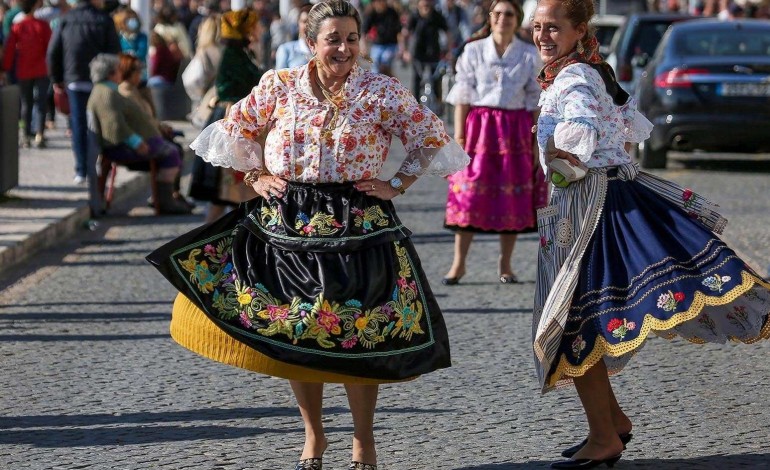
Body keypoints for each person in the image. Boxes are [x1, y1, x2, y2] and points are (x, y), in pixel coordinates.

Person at [146, 2, 469, 469]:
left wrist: (396, 184)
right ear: (311, 41)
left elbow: (433, 138)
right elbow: (233, 129)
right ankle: (314, 437)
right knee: (299, 330)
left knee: (360, 335)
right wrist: (255, 176)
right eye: (333, 38)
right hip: (288, 221)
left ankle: (363, 443)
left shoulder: (381, 90)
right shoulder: (279, 86)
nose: (344, 48)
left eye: (352, 37)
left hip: (358, 222)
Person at [529, 0, 770, 468]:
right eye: (537, 27)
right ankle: (611, 423)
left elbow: (582, 126)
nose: (543, 35)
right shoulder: (588, 69)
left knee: (571, 323)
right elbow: (625, 127)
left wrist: (564, 152)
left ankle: (604, 435)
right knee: (577, 321)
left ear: (579, 30)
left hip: (592, 207)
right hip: (607, 198)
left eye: (553, 27)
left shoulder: (573, 77)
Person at [442, 0, 546, 286]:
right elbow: (463, 96)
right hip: (480, 129)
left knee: (512, 197)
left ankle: (506, 264)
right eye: (498, 13)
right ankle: (458, 264)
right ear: (490, 18)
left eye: (509, 14)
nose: (503, 19)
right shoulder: (474, 50)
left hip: (515, 131)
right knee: (468, 193)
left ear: (517, 19)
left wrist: (537, 142)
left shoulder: (528, 55)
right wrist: (460, 137)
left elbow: (534, 100)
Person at [86, 53, 191, 215]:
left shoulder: (109, 91)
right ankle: (164, 201)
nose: (120, 73)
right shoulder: (107, 94)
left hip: (135, 141)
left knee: (173, 150)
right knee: (171, 153)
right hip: (123, 147)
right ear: (111, 73)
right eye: (117, 70)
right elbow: (115, 125)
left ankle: (167, 198)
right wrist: (136, 142)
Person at [188, 8, 263, 223]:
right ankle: (209, 240)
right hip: (233, 117)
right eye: (255, 26)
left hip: (238, 115)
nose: (259, 30)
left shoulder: (242, 52)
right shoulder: (234, 55)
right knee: (226, 188)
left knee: (232, 192)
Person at [47, 0, 121, 185]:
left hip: (74, 79)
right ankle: (98, 165)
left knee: (78, 124)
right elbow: (114, 52)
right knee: (101, 124)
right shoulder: (104, 20)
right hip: (100, 81)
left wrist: (56, 79)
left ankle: (81, 169)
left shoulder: (65, 19)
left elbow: (53, 52)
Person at [1, 0, 52, 148]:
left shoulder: (18, 27)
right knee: (41, 102)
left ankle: (25, 134)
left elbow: (10, 49)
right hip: (41, 69)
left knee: (26, 102)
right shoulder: (42, 25)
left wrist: (5, 68)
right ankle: (40, 134)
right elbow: (50, 48)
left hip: (24, 69)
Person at [402, 0, 448, 100]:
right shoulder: (414, 16)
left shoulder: (436, 16)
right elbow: (405, 34)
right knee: (416, 80)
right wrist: (405, 51)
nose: (425, 6)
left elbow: (447, 31)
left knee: (436, 79)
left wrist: (448, 50)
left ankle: (438, 104)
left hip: (433, 52)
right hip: (417, 53)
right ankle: (415, 105)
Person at [361, 0, 401, 76]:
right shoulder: (372, 13)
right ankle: (375, 85)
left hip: (390, 44)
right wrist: (363, 47)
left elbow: (399, 31)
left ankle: (390, 84)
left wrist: (401, 48)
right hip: (377, 44)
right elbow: (364, 31)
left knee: (385, 63)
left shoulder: (392, 12)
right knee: (374, 65)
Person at [274, 1, 312, 69]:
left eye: (311, 22)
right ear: (298, 24)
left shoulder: (322, 50)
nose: (307, 26)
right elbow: (278, 78)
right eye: (304, 21)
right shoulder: (286, 50)